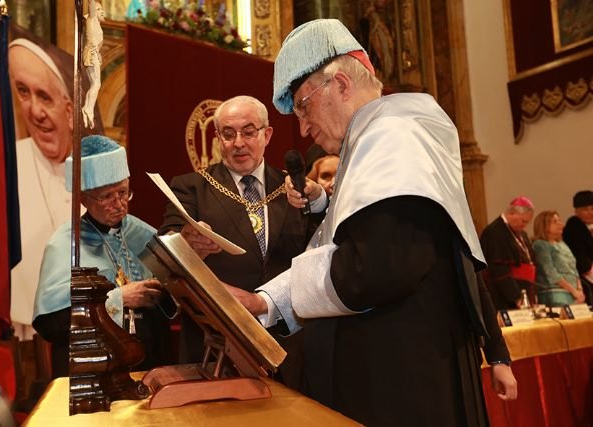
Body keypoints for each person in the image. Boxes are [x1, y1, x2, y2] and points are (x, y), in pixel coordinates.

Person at [225, 19, 517, 426]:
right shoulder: (375, 140)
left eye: (303, 107)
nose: (304, 128)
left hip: (402, 387)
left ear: (341, 85)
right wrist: (266, 302)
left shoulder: (393, 138)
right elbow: (340, 247)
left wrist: (277, 300)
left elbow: (372, 269)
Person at [159, 95, 315, 390]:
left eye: (248, 131)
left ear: (266, 134)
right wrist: (184, 243)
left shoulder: (293, 188)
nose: (238, 142)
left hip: (290, 347)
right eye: (228, 134)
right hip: (218, 347)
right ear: (218, 138)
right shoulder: (191, 187)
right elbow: (165, 257)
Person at [33, 135, 175, 377]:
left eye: (123, 192)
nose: (119, 204)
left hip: (150, 367)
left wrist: (167, 288)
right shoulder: (66, 245)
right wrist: (118, 298)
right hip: (96, 373)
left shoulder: (143, 234)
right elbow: (51, 325)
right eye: (107, 196)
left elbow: (171, 305)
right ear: (83, 199)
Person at [8, 38, 75, 340]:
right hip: (25, 334)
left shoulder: (97, 167)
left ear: (70, 110)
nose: (34, 111)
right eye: (23, 92)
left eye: (44, 97)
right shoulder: (7, 164)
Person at [481, 196, 537, 310]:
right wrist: (516, 296)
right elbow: (499, 270)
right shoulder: (495, 232)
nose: (525, 225)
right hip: (504, 295)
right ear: (512, 213)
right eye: (523, 221)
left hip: (524, 291)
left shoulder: (521, 233)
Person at [532, 210, 585, 307]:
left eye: (560, 221)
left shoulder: (562, 244)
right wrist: (574, 291)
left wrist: (580, 290)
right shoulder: (540, 245)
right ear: (544, 225)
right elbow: (550, 272)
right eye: (555, 222)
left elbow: (574, 268)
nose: (561, 224)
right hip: (555, 294)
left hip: (574, 293)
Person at [562, 190, 593, 305]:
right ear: (576, 211)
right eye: (585, 209)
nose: (590, 213)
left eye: (592, 208)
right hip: (582, 274)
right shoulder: (573, 226)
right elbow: (580, 258)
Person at [82, 0, 105, 129]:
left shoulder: (96, 23)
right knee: (97, 84)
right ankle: (89, 109)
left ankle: (86, 107)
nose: (103, 12)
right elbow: (90, 4)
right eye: (99, 9)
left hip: (94, 53)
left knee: (94, 84)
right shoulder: (92, 19)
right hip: (91, 53)